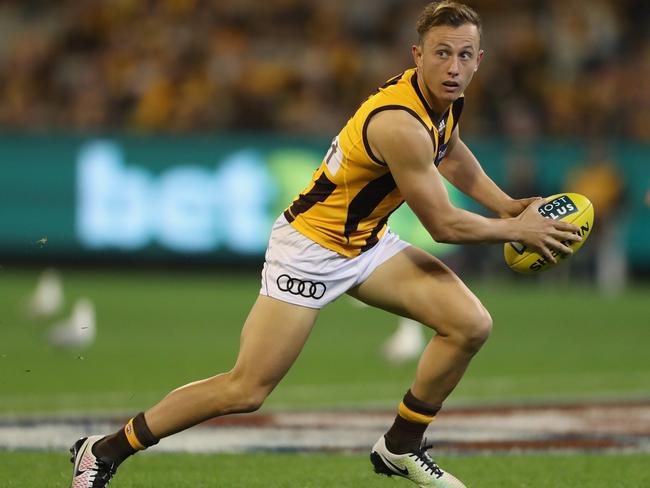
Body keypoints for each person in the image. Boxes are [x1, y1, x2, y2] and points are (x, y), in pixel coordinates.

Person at [69, 2, 581, 487]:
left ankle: (401, 446)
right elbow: (444, 225)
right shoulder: (399, 122)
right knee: (246, 389)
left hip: (365, 244)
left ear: (479, 60)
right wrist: (518, 229)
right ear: (416, 55)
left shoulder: (442, 99)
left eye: (464, 55)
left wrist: (508, 204)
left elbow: (447, 152)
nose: (453, 66)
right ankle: (105, 450)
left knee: (470, 324)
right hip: (311, 249)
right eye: (442, 53)